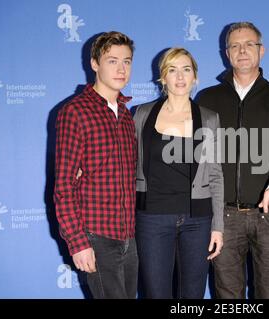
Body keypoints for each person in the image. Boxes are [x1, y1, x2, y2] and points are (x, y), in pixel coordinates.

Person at [196, 22, 269, 299]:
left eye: (249, 44)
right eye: (235, 46)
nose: (242, 51)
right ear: (227, 53)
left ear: (261, 50)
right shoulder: (207, 98)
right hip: (223, 217)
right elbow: (199, 156)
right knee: (227, 296)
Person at [133, 47, 224, 299]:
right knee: (155, 293)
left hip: (198, 220)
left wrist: (218, 227)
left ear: (195, 76)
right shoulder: (142, 114)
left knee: (193, 296)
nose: (180, 76)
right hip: (151, 219)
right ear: (163, 77)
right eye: (172, 70)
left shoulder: (208, 119)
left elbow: (215, 175)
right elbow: (127, 163)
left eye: (186, 69)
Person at [54, 31, 138, 298]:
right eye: (112, 61)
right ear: (94, 64)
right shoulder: (75, 112)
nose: (121, 68)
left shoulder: (127, 115)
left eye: (126, 61)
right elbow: (63, 186)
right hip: (96, 236)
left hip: (130, 236)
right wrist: (78, 243)